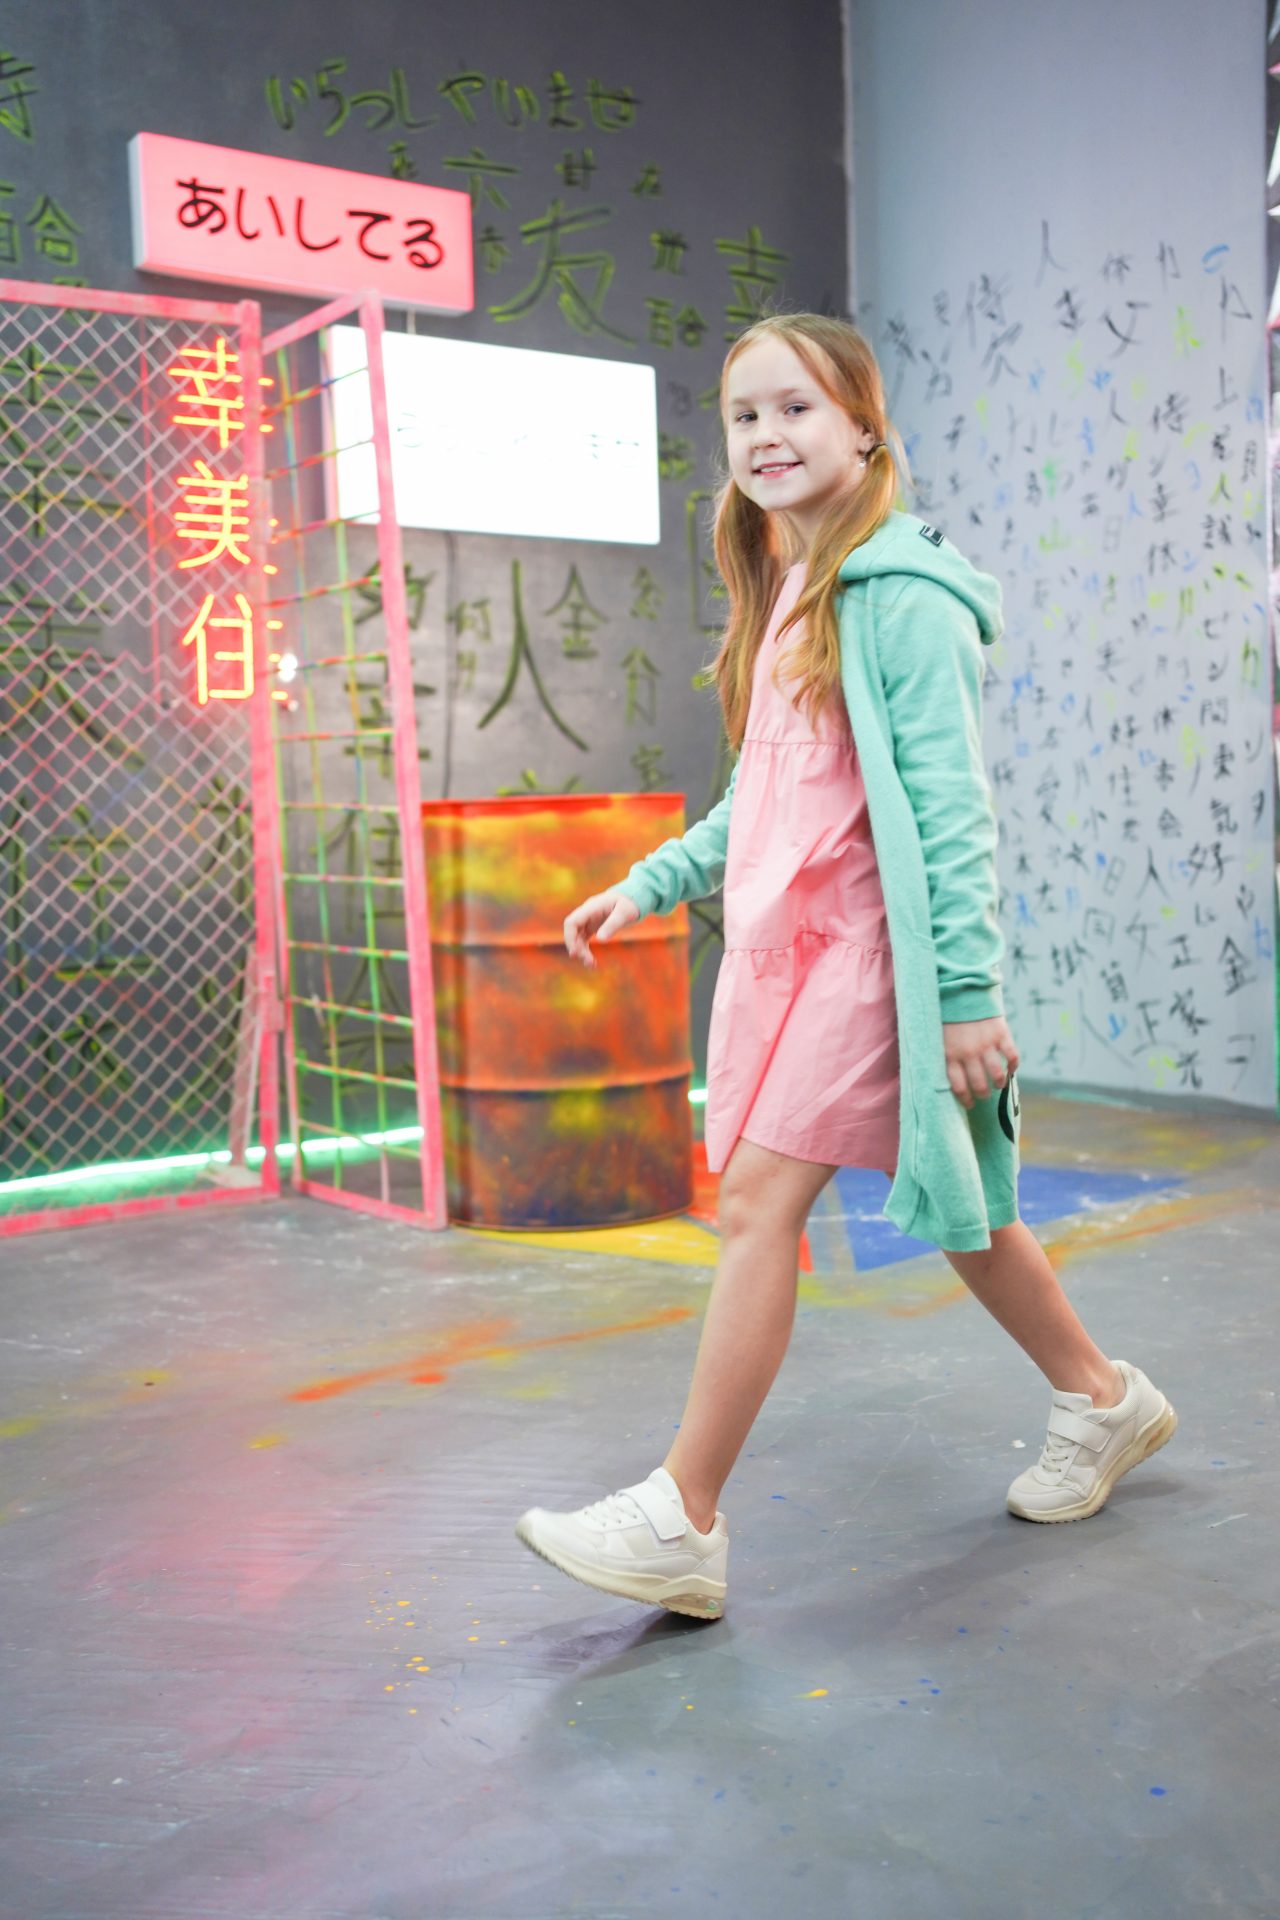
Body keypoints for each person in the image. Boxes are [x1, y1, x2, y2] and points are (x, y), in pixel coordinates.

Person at [514, 313, 1177, 1619]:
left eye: (797, 408)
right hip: (790, 964)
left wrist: (969, 999)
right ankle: (1103, 1398)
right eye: (744, 414)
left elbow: (951, 810)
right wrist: (650, 883)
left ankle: (683, 1516)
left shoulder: (903, 598)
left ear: (866, 427)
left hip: (874, 967)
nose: (766, 434)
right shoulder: (794, 592)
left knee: (757, 1204)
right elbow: (766, 799)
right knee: (965, 1214)